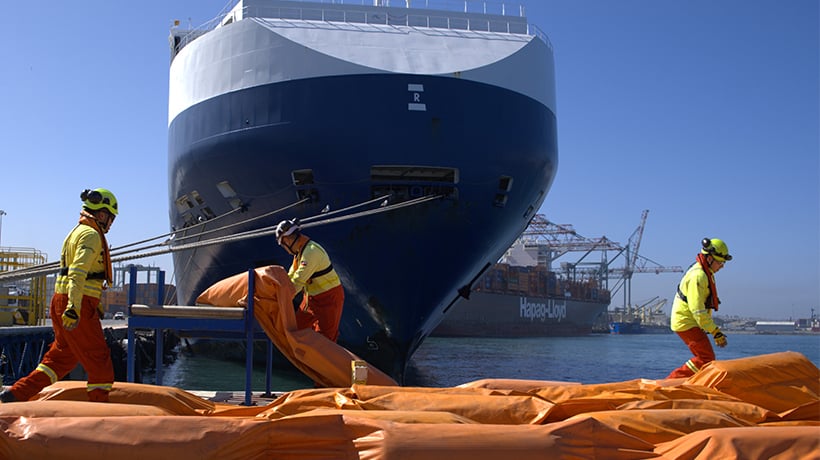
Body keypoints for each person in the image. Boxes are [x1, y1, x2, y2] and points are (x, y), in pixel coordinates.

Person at [1, 188, 118, 403]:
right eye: (111, 218)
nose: (111, 223)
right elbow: (78, 271)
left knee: (60, 359)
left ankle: (16, 394)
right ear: (102, 215)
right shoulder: (91, 235)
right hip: (77, 303)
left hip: (60, 300)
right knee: (99, 360)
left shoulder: (75, 232)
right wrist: (74, 307)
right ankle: (100, 409)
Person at [666, 237, 731, 379]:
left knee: (705, 358)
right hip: (686, 322)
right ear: (709, 259)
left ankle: (686, 383)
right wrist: (715, 332)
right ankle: (671, 382)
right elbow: (698, 310)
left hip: (689, 321)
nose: (722, 266)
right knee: (706, 358)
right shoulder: (699, 276)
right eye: (720, 261)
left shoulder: (705, 272)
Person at [274, 218, 345, 342]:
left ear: (288, 240)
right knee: (296, 328)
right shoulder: (299, 254)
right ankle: (302, 356)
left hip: (329, 300)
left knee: (326, 339)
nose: (284, 249)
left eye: (283, 244)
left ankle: (323, 359)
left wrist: (279, 301)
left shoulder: (311, 252)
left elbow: (297, 282)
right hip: (311, 300)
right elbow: (290, 278)